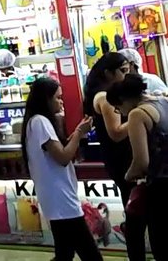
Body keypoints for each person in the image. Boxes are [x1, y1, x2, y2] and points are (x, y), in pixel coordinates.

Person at [21, 78, 102, 260]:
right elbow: (63, 157)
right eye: (58, 98)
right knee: (90, 254)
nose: (61, 102)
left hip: (57, 198)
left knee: (65, 253)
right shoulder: (40, 122)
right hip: (61, 200)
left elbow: (59, 150)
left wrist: (77, 134)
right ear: (46, 99)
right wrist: (79, 133)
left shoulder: (37, 122)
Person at [83, 52, 145, 260]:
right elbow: (116, 132)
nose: (126, 75)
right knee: (135, 213)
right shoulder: (104, 97)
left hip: (122, 157)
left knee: (137, 211)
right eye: (123, 71)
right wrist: (142, 117)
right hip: (121, 159)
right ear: (108, 73)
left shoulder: (112, 93)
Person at [107, 74, 168, 260]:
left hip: (160, 187)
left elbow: (141, 162)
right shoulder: (163, 100)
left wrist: (128, 176)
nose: (121, 113)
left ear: (124, 100)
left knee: (161, 243)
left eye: (118, 108)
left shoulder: (137, 114)